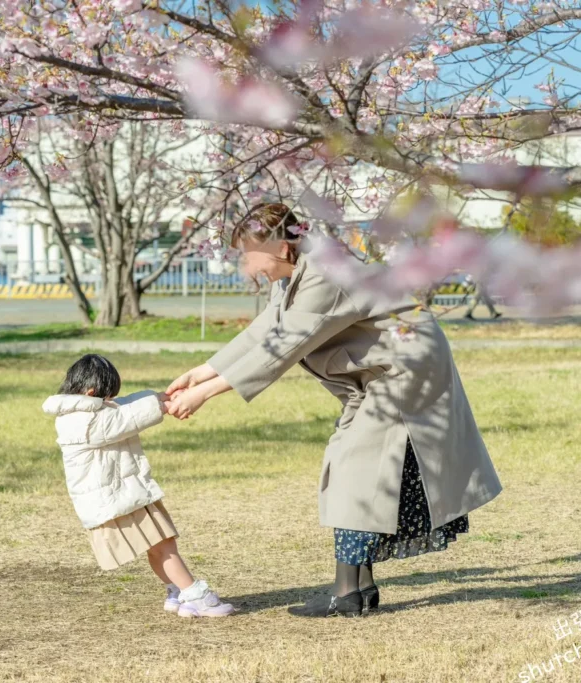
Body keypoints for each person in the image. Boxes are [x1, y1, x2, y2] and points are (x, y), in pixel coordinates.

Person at [165, 203, 503, 618]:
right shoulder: (295, 276)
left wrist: (207, 393)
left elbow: (284, 348)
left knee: (353, 467)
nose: (245, 264)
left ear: (281, 249)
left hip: (404, 370)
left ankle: (347, 594)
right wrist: (201, 372)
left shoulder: (325, 275)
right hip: (375, 373)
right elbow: (265, 331)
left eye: (249, 253)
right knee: (352, 467)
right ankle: (359, 589)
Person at [42, 354, 234, 618]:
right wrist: (164, 407)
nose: (111, 401)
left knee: (158, 547)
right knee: (164, 546)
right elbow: (124, 418)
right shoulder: (84, 421)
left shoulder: (83, 410)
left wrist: (157, 397)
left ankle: (176, 591)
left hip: (121, 493)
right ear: (90, 393)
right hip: (117, 498)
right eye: (107, 397)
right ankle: (196, 596)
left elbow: (123, 405)